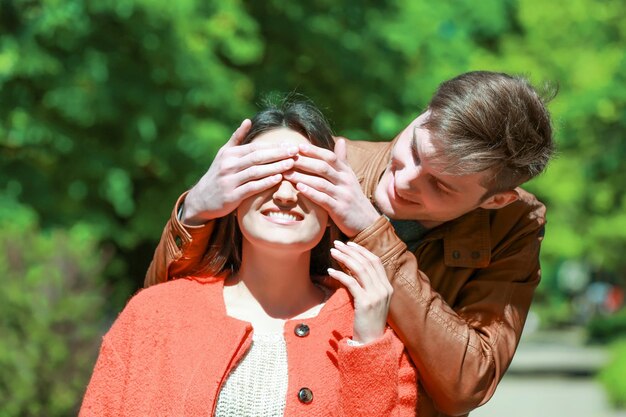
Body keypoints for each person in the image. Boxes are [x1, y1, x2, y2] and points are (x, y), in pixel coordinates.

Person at [145, 71, 556, 417]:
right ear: (422, 114)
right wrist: (194, 211)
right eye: (413, 149)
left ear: (496, 199)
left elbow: (467, 384)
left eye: (439, 185)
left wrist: (372, 231)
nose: (405, 179)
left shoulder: (514, 224)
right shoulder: (324, 160)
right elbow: (158, 321)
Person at [80, 98, 418, 416]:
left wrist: (368, 350)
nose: (286, 194)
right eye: (266, 173)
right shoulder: (152, 314)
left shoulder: (370, 333)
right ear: (230, 191)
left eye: (307, 178)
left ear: (334, 204)